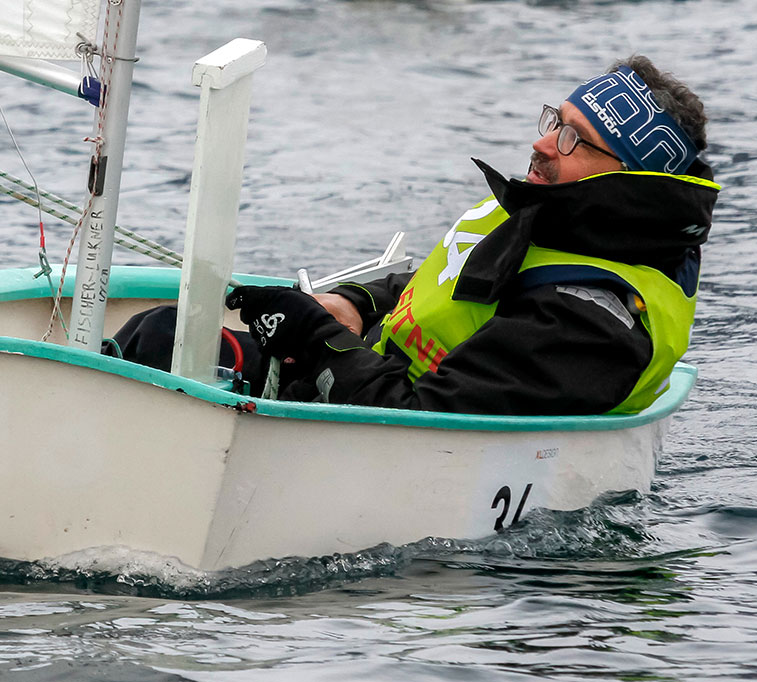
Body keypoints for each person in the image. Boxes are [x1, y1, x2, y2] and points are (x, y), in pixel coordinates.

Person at [106, 56, 719, 417]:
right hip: (361, 380)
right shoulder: (554, 213)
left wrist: (312, 337)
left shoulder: (594, 322)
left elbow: (424, 422)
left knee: (161, 360)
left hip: (394, 433)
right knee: (160, 332)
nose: (541, 142)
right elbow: (448, 283)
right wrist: (356, 302)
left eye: (572, 138)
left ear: (625, 178)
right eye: (554, 120)